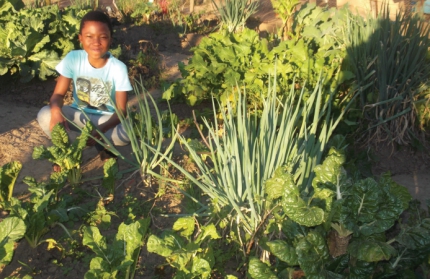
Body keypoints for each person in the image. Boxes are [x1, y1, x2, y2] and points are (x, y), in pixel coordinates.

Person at [37, 10, 132, 166]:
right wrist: (56, 112)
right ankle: (65, 154)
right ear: (80, 38)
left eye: (103, 37)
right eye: (89, 36)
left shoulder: (118, 68)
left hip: (105, 119)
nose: (96, 42)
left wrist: (100, 130)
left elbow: (121, 111)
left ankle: (103, 147)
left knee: (127, 132)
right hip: (79, 115)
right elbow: (58, 95)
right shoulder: (73, 58)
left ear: (110, 40)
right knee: (45, 114)